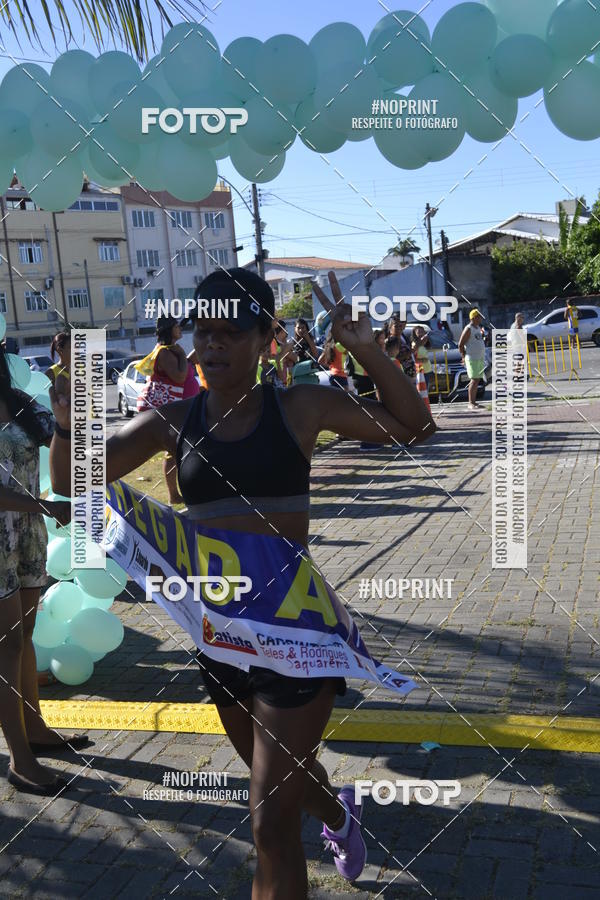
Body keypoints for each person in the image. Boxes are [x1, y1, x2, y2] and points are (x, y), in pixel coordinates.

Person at [49, 267, 436, 899]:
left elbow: (415, 428)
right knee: (285, 773)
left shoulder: (301, 407)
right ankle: (341, 814)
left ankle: (325, 821)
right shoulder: (171, 421)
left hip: (295, 635)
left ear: (267, 340)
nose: (213, 347)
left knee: (266, 821)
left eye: (230, 334)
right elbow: (74, 482)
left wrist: (367, 350)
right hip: (216, 637)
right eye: (204, 333)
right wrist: (69, 420)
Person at [0, 343, 90, 796]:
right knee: (7, 644)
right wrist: (40, 505)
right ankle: (19, 757)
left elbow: (56, 460)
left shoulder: (14, 400)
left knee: (25, 634)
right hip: (4, 536)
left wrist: (61, 418)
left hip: (29, 534)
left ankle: (34, 727)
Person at [134, 316, 199, 504]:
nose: (180, 329)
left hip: (179, 406)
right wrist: (180, 354)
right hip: (171, 408)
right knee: (176, 450)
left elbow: (182, 368)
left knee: (177, 450)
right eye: (177, 326)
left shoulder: (171, 351)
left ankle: (176, 494)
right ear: (169, 330)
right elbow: (179, 377)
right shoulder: (164, 352)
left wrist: (185, 355)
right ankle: (175, 494)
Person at [458, 309, 486, 411]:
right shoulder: (468, 328)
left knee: (477, 379)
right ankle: (470, 403)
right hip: (472, 358)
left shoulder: (478, 328)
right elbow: (460, 344)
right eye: (479, 317)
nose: (480, 319)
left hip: (479, 357)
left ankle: (474, 402)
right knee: (474, 380)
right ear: (473, 318)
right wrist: (463, 356)